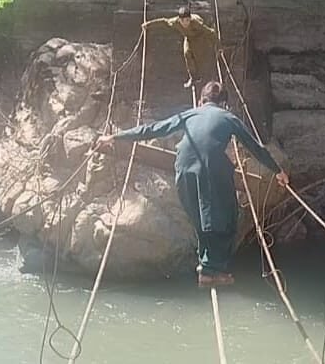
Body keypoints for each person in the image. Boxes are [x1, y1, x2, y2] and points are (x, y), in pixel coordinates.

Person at [95, 81, 289, 287]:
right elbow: (255, 148)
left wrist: (115, 137)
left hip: (183, 171)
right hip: (211, 171)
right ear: (224, 104)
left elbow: (153, 129)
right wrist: (278, 171)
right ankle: (213, 271)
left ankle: (206, 266)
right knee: (228, 218)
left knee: (200, 219)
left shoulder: (189, 114)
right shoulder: (229, 117)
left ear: (200, 100)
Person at [141, 6, 218, 88]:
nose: (185, 23)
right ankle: (193, 77)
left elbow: (210, 32)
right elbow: (164, 21)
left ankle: (204, 73)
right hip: (188, 37)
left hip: (199, 37)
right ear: (179, 19)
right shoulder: (175, 22)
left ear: (190, 19)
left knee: (198, 57)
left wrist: (219, 46)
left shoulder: (196, 23)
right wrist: (148, 24)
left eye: (187, 20)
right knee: (187, 53)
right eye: (182, 21)